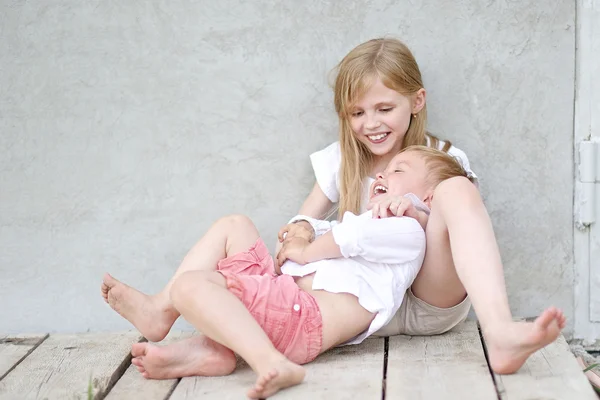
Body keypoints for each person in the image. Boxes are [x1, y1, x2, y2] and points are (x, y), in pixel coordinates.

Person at [277, 37, 565, 375]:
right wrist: (301, 229)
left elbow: (464, 232)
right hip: (362, 304)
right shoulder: (342, 159)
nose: (370, 124)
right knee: (290, 280)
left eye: (384, 109)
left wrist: (417, 213)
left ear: (417, 101)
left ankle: (499, 332)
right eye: (358, 112)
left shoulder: (444, 157)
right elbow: (299, 223)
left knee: (457, 188)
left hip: (429, 302)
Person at [101, 146, 471, 398]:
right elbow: (327, 229)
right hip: (285, 297)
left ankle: (269, 362)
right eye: (385, 169)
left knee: (191, 286)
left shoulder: (407, 231)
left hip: (300, 318)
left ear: (427, 198)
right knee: (234, 224)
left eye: (398, 171)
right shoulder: (375, 221)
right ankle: (180, 325)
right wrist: (304, 231)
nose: (382, 174)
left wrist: (307, 249)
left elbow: (350, 237)